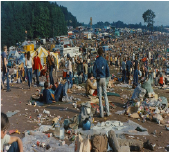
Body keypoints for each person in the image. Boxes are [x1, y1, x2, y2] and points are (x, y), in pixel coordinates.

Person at [93, 47, 110, 118]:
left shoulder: (96, 61)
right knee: (105, 95)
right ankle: (108, 112)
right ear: (102, 53)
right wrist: (107, 78)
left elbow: (94, 71)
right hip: (104, 78)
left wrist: (95, 76)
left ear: (97, 53)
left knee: (100, 96)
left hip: (99, 78)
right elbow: (107, 70)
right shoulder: (104, 60)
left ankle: (101, 114)